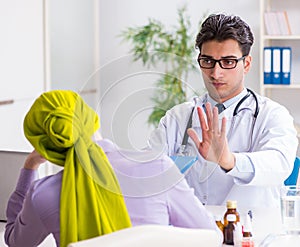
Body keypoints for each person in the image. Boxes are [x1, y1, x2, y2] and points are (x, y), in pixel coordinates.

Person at [5, 90, 222, 247]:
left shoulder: (42, 194)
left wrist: (30, 165)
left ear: (45, 147)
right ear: (92, 119)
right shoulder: (158, 169)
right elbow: (209, 237)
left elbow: (15, 243)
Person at [147, 13, 298, 209]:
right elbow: (148, 169)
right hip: (192, 232)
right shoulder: (178, 117)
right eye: (208, 61)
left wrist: (230, 160)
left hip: (250, 232)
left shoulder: (272, 115)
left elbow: (279, 165)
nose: (215, 73)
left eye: (228, 62)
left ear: (247, 64)